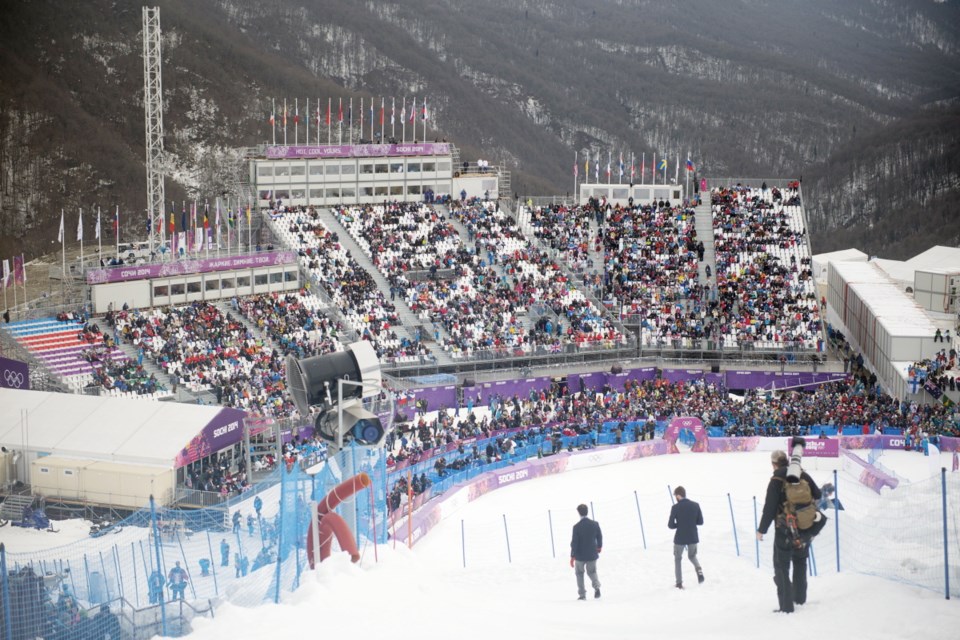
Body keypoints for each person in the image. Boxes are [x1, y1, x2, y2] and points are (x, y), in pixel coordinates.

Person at [756, 450, 822, 613]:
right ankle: (799, 598)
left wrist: (761, 530)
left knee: (781, 566)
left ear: (774, 464)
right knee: (800, 561)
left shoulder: (777, 478)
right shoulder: (800, 473)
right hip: (804, 527)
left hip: (784, 528)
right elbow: (818, 493)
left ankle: (786, 606)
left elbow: (770, 507)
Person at [667, 486, 704, 588]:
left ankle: (679, 584)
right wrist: (691, 523)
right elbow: (700, 522)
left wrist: (679, 525)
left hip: (680, 538)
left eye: (675, 496)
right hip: (693, 536)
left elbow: (670, 525)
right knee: (692, 556)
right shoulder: (696, 505)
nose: (676, 498)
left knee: (678, 559)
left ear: (678, 495)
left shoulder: (675, 508)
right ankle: (698, 568)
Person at [570, 503, 602, 600]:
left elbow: (574, 542)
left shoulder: (576, 527)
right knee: (592, 572)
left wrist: (572, 556)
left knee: (579, 574)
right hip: (592, 553)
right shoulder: (595, 524)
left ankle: (582, 595)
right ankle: (597, 588)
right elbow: (599, 536)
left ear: (579, 513)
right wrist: (599, 547)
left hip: (580, 556)